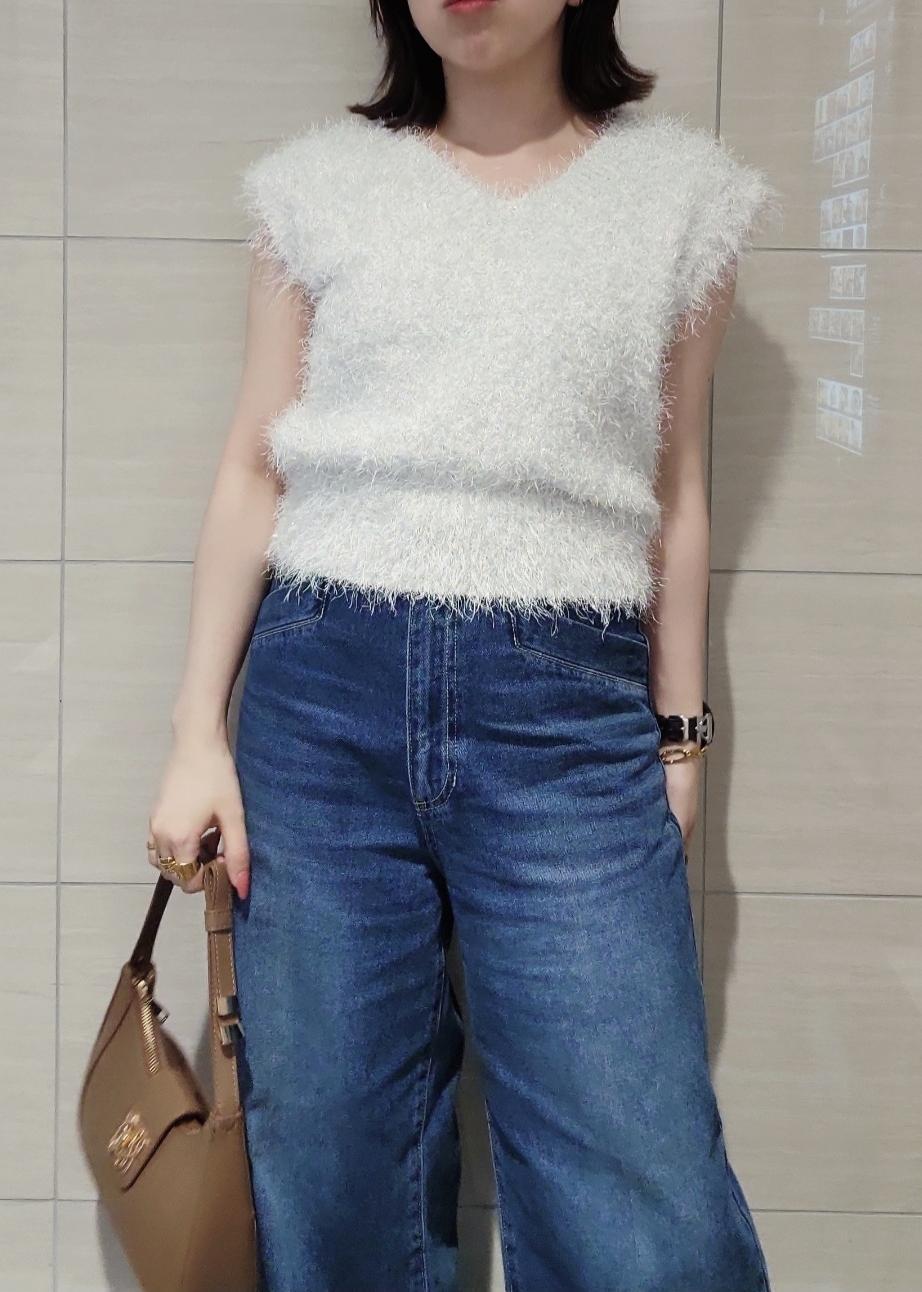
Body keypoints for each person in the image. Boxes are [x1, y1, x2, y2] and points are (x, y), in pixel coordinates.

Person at [147, 1, 782, 1288]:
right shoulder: (314, 189)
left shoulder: (683, 202)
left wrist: (681, 736)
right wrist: (195, 733)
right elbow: (253, 469)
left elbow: (674, 496)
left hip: (568, 717)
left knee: (641, 1196)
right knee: (329, 1170)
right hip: (318, 711)